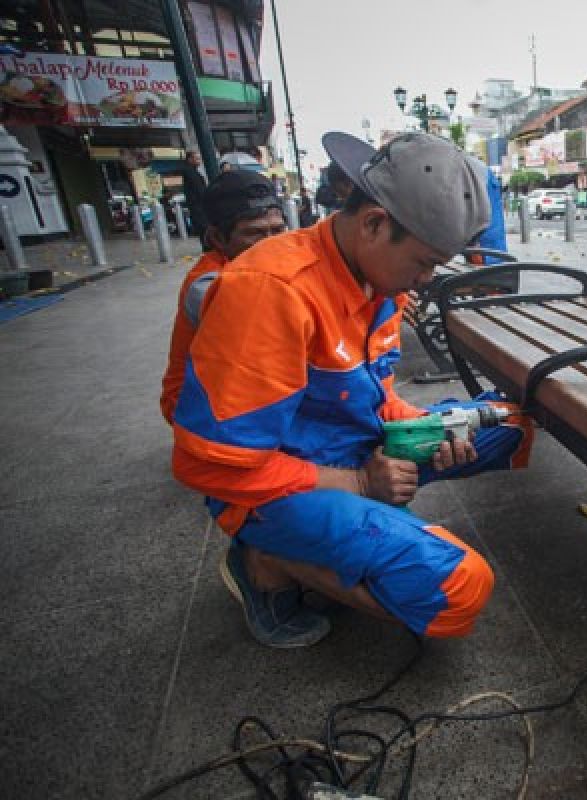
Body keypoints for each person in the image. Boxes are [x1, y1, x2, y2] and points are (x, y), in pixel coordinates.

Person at [170, 131, 535, 647]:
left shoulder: (377, 280)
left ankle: (345, 528)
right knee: (459, 591)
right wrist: (361, 485)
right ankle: (268, 559)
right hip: (270, 485)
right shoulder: (272, 293)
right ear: (373, 224)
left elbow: (376, 399)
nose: (425, 280)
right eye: (424, 262)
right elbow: (206, 466)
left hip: (351, 445)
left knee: (514, 422)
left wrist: (432, 430)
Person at [160, 170, 288, 425]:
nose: (272, 243)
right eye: (255, 233)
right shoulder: (210, 285)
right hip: (195, 405)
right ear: (218, 238)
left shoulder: (263, 268)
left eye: (278, 230)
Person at [180, 150, 208, 238]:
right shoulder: (190, 172)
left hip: (198, 208)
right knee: (205, 233)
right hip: (199, 209)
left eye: (199, 159)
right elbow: (200, 190)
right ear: (189, 159)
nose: (199, 161)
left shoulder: (193, 171)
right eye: (197, 159)